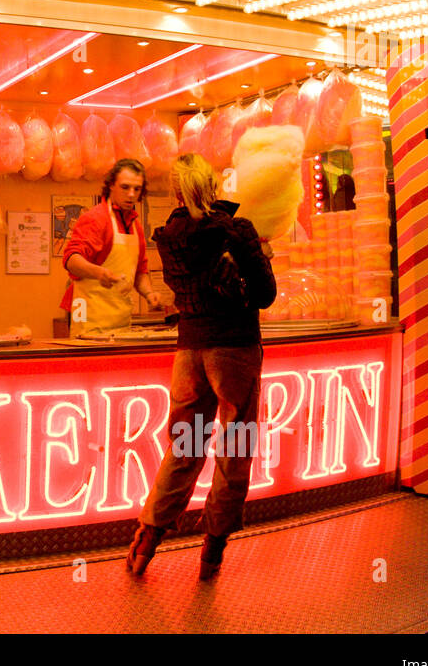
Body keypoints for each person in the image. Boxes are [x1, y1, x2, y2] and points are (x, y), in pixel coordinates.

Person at [126, 153, 276, 581]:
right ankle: (212, 553)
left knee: (185, 447)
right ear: (214, 186)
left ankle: (146, 541)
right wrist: (260, 255)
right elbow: (265, 294)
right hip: (234, 353)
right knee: (234, 448)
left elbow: (184, 289)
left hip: (189, 353)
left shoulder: (168, 238)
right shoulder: (237, 230)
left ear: (175, 191)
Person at [60, 158, 162, 337]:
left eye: (137, 189)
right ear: (111, 186)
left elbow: (140, 271)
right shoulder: (96, 218)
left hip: (120, 319)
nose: (131, 194)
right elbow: (71, 259)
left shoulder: (135, 225)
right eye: (125, 187)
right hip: (85, 314)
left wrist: (149, 293)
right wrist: (99, 273)